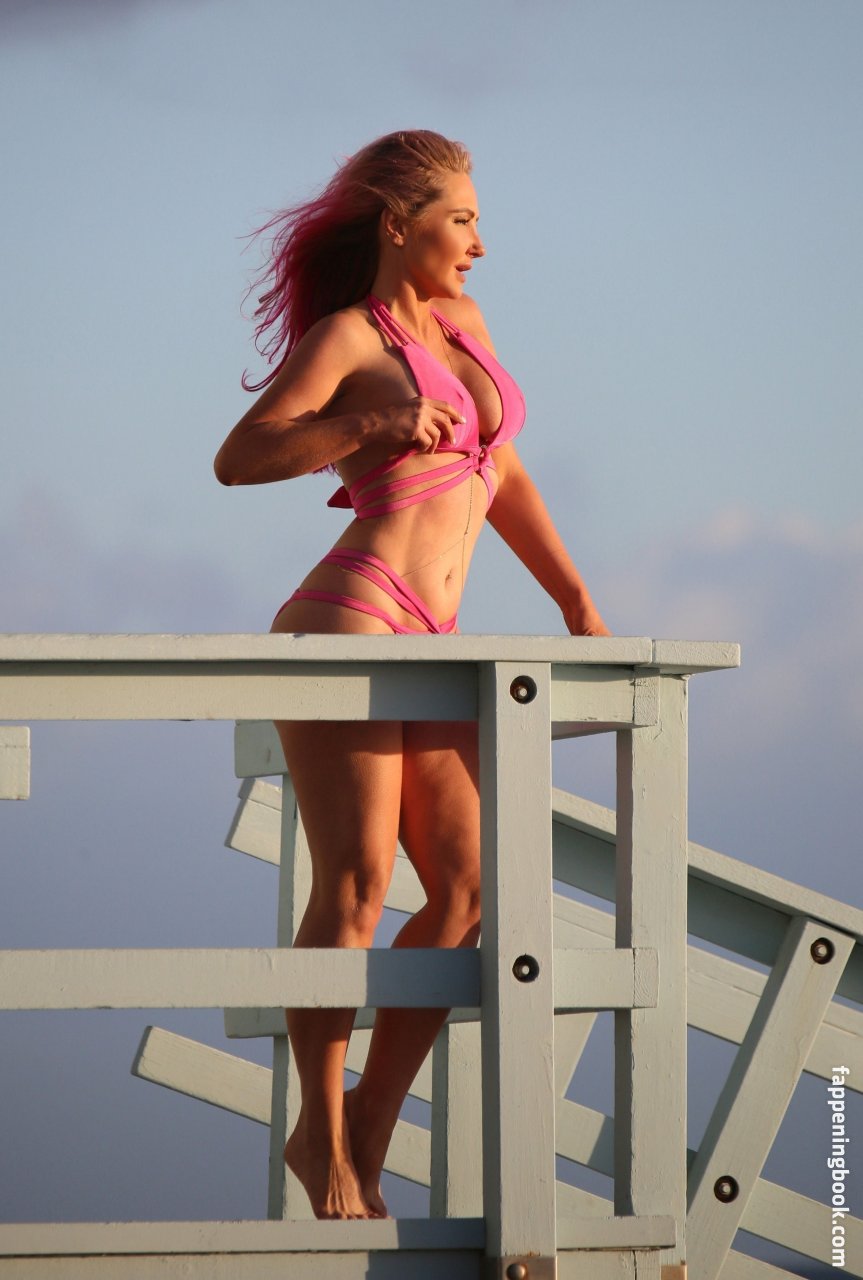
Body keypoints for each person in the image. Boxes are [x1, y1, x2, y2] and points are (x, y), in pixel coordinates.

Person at [214, 129, 609, 1221]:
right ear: (399, 224)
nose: (479, 242)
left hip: (435, 632)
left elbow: (502, 473)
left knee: (471, 886)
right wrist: (372, 421)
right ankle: (323, 1133)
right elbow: (241, 456)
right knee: (355, 886)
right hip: (351, 613)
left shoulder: (466, 325)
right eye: (461, 220)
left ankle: (363, 1129)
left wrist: (574, 602)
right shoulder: (347, 336)